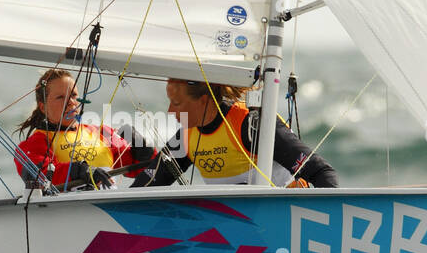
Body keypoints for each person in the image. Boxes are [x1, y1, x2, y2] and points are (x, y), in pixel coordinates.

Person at [132, 78, 338, 188]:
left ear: (203, 101)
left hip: (283, 223)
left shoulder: (251, 124)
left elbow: (321, 172)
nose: (170, 112)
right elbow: (148, 184)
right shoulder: (186, 137)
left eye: (177, 104)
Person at [14, 69, 157, 191]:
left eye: (74, 95)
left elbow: (140, 168)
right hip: (71, 213)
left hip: (110, 208)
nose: (71, 102)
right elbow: (41, 177)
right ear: (42, 107)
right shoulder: (33, 145)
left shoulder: (103, 133)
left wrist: (145, 151)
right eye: (60, 97)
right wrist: (79, 170)